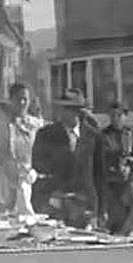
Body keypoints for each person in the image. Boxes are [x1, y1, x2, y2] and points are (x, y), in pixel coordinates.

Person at [32, 89, 98, 227]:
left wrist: (100, 209)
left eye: (71, 109)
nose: (65, 113)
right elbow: (38, 164)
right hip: (55, 198)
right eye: (63, 108)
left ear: (79, 112)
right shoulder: (46, 134)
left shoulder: (93, 136)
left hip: (83, 201)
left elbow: (99, 174)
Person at [0, 82, 42, 215]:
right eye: (18, 99)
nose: (22, 103)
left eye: (25, 99)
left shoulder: (36, 125)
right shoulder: (4, 125)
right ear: (11, 100)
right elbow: (2, 153)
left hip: (31, 176)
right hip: (10, 177)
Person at [98, 102, 133, 233]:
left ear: (125, 116)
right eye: (112, 115)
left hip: (129, 182)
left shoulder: (131, 134)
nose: (115, 118)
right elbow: (103, 158)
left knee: (130, 220)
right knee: (115, 219)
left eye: (119, 115)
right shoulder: (104, 134)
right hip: (112, 183)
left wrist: (130, 167)